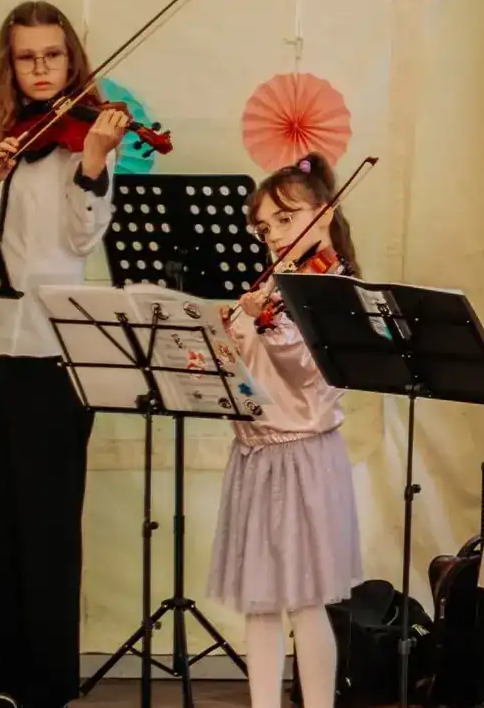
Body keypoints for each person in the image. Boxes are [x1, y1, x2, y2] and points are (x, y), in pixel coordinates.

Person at [0, 0, 126, 708]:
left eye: (51, 56)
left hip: (54, 353)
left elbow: (83, 239)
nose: (39, 70)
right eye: (26, 57)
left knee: (47, 525)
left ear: (70, 60)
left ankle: (47, 685)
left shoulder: (86, 141)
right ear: (9, 63)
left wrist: (90, 163)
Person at [211, 154, 365, 708]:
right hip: (254, 453)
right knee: (260, 602)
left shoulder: (334, 287)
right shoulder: (272, 287)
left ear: (324, 216)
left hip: (303, 455)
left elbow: (313, 372)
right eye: (266, 226)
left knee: (305, 602)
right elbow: (239, 370)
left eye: (286, 218)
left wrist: (264, 326)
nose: (274, 235)